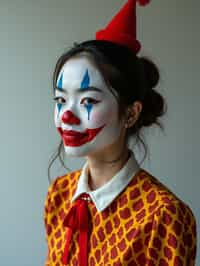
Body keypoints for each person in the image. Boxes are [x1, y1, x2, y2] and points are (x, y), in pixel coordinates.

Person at [44, 0, 197, 265]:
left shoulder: (164, 216)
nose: (67, 116)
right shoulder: (59, 194)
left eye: (88, 101)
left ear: (130, 113)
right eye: (60, 100)